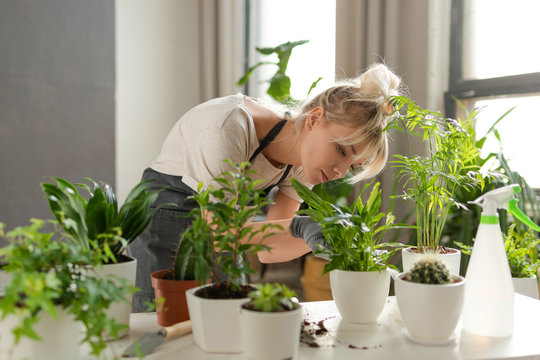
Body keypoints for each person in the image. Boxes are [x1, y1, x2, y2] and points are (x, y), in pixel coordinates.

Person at [127, 63, 402, 312]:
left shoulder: (305, 165)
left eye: (353, 167)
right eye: (342, 151)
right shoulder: (228, 129)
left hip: (225, 229)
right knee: (165, 330)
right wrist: (299, 226)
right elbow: (220, 230)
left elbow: (269, 251)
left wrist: (321, 237)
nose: (340, 172)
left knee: (229, 325)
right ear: (315, 118)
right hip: (166, 219)